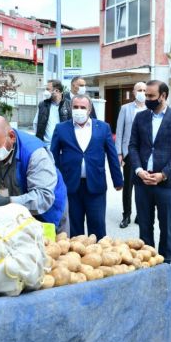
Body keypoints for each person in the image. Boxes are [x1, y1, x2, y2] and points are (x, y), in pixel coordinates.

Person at [0, 114, 69, 234]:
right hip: (9, 215)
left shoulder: (35, 154)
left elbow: (43, 197)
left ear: (12, 137)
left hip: (45, 212)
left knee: (49, 247)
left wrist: (8, 201)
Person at [128, 80, 171, 264]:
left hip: (166, 184)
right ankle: (148, 261)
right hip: (142, 181)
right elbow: (133, 146)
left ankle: (166, 262)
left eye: (151, 96)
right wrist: (138, 170)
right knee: (144, 225)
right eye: (146, 95)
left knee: (166, 226)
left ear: (163, 96)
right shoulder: (140, 117)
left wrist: (163, 174)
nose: (147, 99)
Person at [51, 94, 123, 238]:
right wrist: (56, 181)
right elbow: (53, 157)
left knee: (98, 227)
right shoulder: (61, 129)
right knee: (75, 229)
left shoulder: (103, 128)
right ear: (71, 108)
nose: (79, 110)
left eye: (82, 107)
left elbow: (112, 155)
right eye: (76, 107)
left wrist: (118, 180)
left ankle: (99, 258)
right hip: (70, 186)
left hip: (96, 186)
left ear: (89, 109)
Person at [115, 82, 147, 228]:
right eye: (139, 90)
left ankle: (140, 215)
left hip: (145, 154)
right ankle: (126, 215)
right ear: (134, 92)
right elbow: (120, 131)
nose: (142, 92)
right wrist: (119, 153)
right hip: (128, 153)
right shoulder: (125, 109)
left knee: (142, 187)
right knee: (128, 186)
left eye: (144, 90)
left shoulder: (150, 109)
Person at [33, 80, 71, 145]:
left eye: (48, 89)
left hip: (63, 146)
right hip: (46, 145)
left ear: (57, 91)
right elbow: (36, 123)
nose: (46, 92)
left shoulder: (69, 105)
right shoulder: (42, 105)